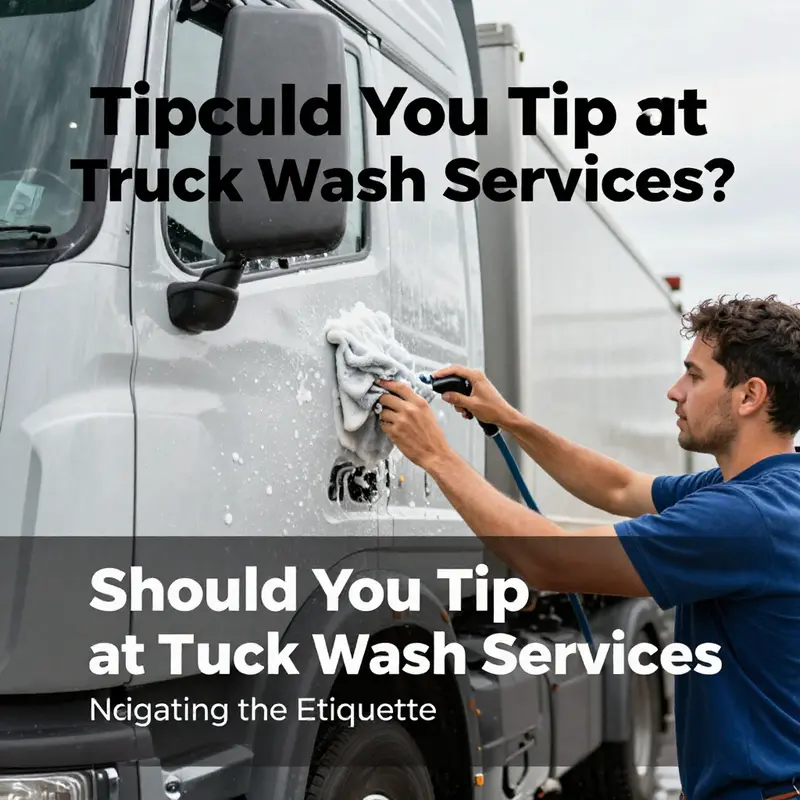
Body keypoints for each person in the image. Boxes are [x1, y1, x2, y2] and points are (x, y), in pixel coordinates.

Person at [375, 295, 800, 800]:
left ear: (749, 395)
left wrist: (435, 455)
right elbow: (619, 487)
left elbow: (549, 559)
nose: (675, 391)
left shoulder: (743, 518)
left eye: (694, 375)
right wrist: (509, 420)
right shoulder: (765, 492)